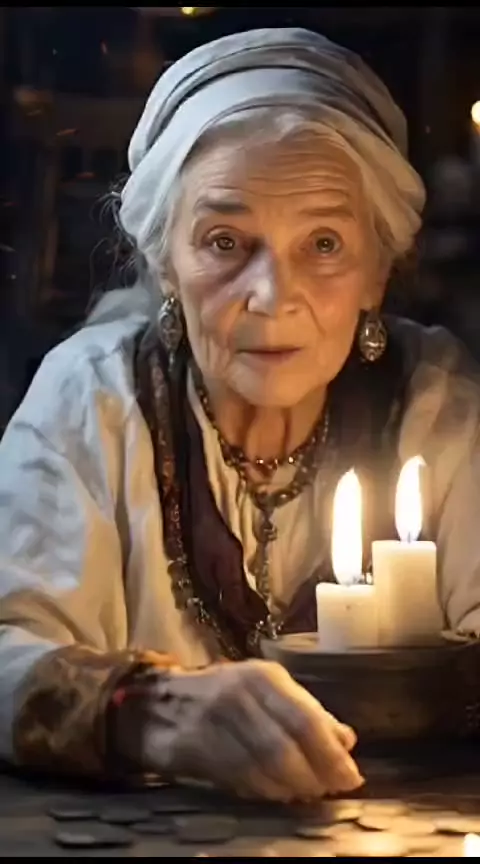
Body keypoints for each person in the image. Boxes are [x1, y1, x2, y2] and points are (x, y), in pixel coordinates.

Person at [0, 27, 479, 802]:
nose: (271, 295)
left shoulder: (437, 405)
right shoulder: (94, 399)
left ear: (378, 269)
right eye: (224, 241)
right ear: (165, 262)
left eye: (324, 243)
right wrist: (149, 710)